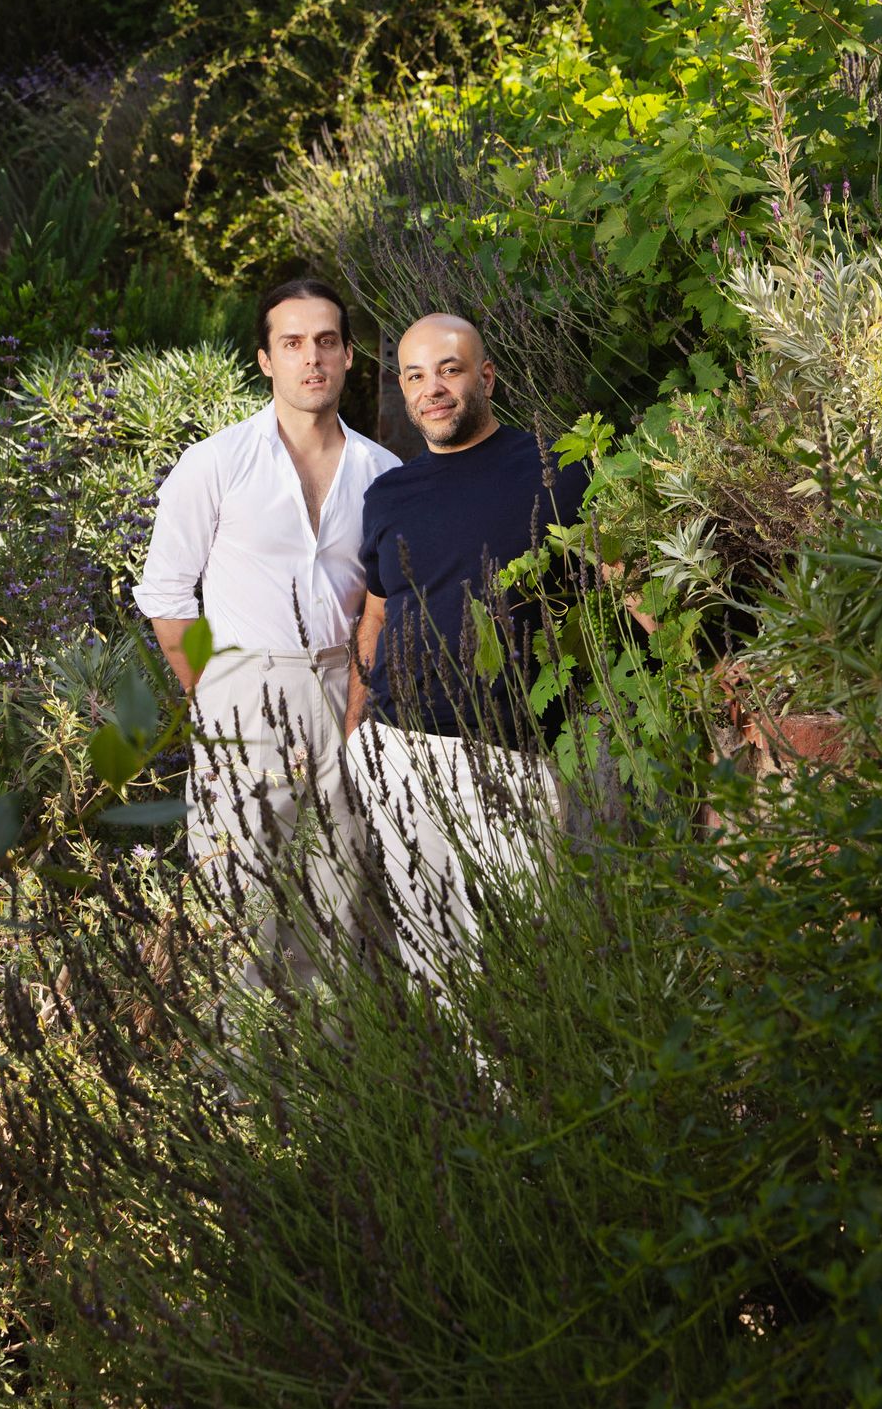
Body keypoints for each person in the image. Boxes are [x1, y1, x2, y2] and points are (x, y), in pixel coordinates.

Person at [134, 278, 398, 988]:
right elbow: (165, 594)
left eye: (325, 342)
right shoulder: (215, 464)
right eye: (292, 344)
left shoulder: (385, 474)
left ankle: (332, 1080)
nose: (311, 358)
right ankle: (237, 1088)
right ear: (265, 359)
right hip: (242, 687)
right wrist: (212, 695)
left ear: (347, 357)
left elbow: (390, 601)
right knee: (238, 897)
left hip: (349, 688)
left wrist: (364, 702)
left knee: (343, 897)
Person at [343, 313, 590, 989]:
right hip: (398, 751)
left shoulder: (556, 467)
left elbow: (621, 580)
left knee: (535, 955)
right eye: (416, 376)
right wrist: (353, 741)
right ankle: (468, 1094)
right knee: (434, 965)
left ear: (486, 375)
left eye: (449, 370)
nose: (434, 389)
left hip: (512, 752)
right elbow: (377, 615)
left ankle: (536, 1090)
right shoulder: (389, 495)